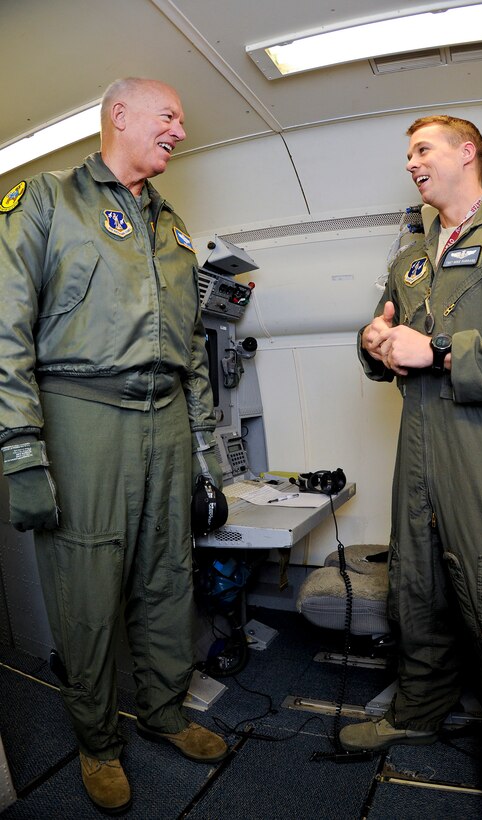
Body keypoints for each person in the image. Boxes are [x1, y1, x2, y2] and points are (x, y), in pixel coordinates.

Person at [0, 77, 228, 814]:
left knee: (168, 573)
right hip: (81, 410)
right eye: (171, 114)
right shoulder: (47, 199)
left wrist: (205, 455)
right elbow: (5, 330)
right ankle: (97, 740)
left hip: (165, 417)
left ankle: (163, 712)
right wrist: (20, 450)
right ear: (119, 116)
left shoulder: (174, 227)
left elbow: (193, 347)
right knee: (88, 590)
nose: (180, 130)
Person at [341, 115, 482, 820]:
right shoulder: (412, 260)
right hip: (420, 445)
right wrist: (374, 344)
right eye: (407, 154)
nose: (411, 163)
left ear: (468, 153)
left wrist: (443, 352)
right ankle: (417, 711)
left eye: (422, 149)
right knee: (418, 587)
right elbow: (384, 340)